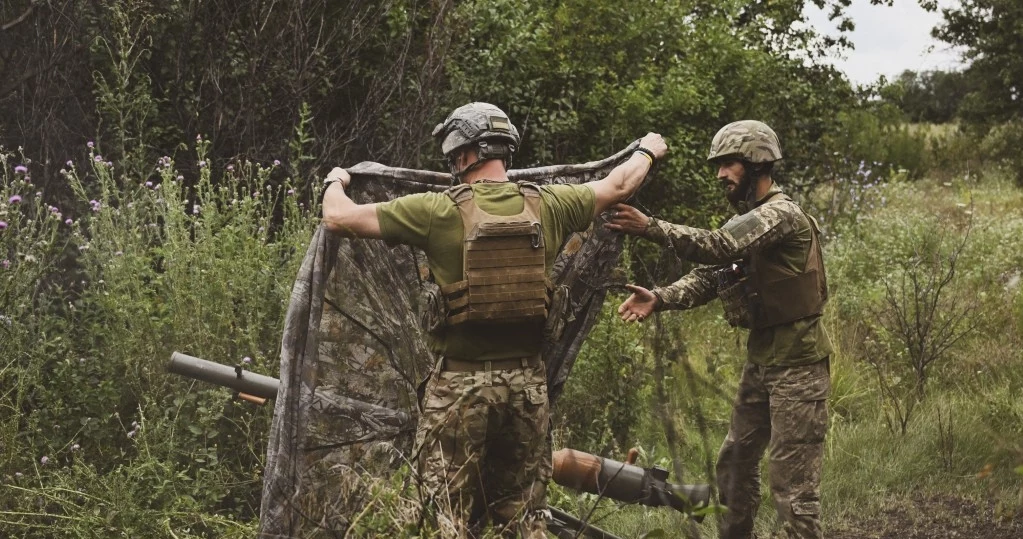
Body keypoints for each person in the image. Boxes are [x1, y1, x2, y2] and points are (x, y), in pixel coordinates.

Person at [321, 102, 667, 537]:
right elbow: (618, 184)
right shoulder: (553, 204)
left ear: (465, 154)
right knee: (523, 514)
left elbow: (337, 218)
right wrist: (649, 151)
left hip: (459, 391)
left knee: (442, 511)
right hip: (527, 391)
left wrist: (336, 179)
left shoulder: (436, 210)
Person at [607, 120, 832, 539]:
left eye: (728, 164)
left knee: (793, 489)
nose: (720, 175)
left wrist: (650, 227)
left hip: (799, 366)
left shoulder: (779, 215)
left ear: (757, 163)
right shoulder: (751, 220)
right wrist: (660, 298)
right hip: (763, 360)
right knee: (734, 465)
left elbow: (720, 246)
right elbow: (713, 275)